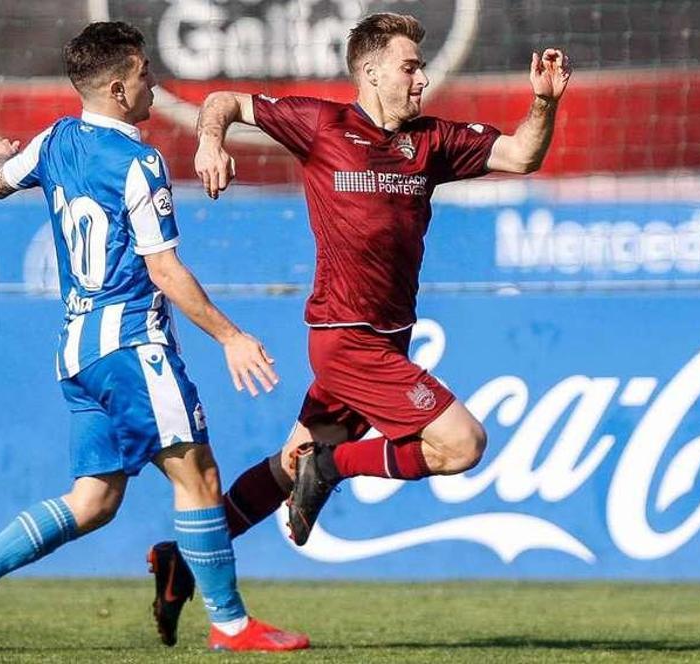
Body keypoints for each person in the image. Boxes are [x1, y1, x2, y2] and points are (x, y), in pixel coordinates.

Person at [149, 10, 568, 641]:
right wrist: (211, 140)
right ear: (370, 72)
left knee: (288, 464)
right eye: (410, 66)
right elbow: (223, 99)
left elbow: (522, 155)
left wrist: (542, 103)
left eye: (421, 66)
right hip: (344, 337)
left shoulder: (431, 140)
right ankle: (336, 467)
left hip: (387, 336)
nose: (422, 78)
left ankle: (181, 559)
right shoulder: (323, 124)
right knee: (462, 444)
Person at [0, 21, 308, 653]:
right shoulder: (138, 161)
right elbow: (163, 268)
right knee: (199, 478)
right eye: (147, 72)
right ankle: (232, 624)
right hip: (131, 345)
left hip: (77, 351)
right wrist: (231, 337)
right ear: (121, 87)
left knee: (94, 500)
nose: (155, 81)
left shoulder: (54, 139)